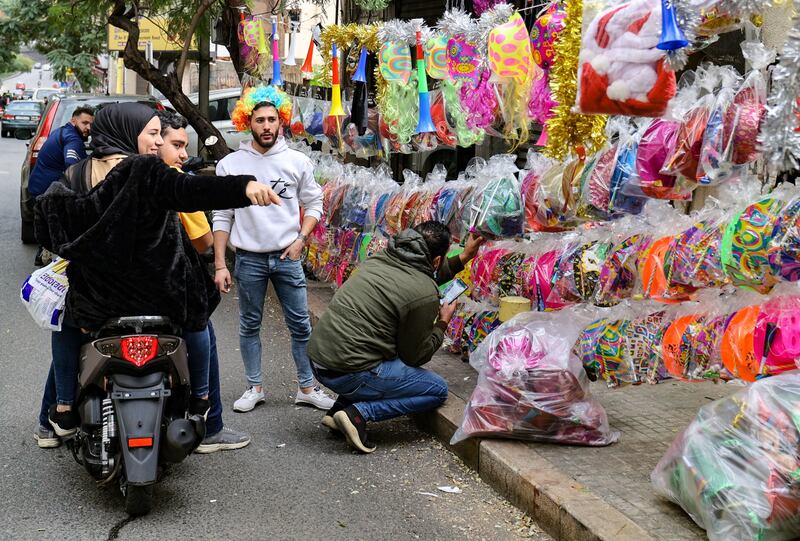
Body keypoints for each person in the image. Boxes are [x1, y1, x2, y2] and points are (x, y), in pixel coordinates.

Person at [32, 102, 280, 442]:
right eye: (150, 134)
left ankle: (61, 411)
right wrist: (243, 187)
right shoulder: (144, 171)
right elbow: (190, 191)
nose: (155, 143)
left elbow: (48, 225)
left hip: (95, 305)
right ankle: (203, 405)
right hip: (157, 300)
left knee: (65, 323)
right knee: (199, 318)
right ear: (127, 134)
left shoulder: (75, 176)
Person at [307, 222, 484, 453]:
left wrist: (464, 256)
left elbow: (418, 280)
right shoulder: (423, 292)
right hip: (348, 371)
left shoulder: (381, 259)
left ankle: (338, 409)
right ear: (437, 260)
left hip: (319, 360)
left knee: (376, 352)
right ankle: (358, 415)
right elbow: (415, 356)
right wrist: (442, 323)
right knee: (436, 389)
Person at [212, 85, 334, 413]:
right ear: (246, 123)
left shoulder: (297, 161)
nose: (266, 126)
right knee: (249, 324)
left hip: (287, 256)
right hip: (249, 258)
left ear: (281, 122)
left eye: (272, 119)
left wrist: (300, 239)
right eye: (259, 120)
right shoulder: (231, 164)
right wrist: (220, 264)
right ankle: (254, 387)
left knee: (301, 325)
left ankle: (307, 387)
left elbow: (314, 202)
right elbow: (222, 216)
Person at [155, 110, 250, 453]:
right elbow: (204, 242)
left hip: (119, 291)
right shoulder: (174, 180)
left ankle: (56, 415)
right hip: (172, 290)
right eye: (175, 144)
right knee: (202, 333)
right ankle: (209, 423)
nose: (182, 153)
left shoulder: (108, 171)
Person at [27, 105, 94, 265]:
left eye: (91, 124)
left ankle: (45, 253)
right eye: (85, 123)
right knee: (61, 226)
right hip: (48, 191)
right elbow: (72, 166)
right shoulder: (73, 139)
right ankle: (49, 258)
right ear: (73, 120)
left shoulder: (61, 131)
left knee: (50, 225)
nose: (88, 128)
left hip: (39, 187)